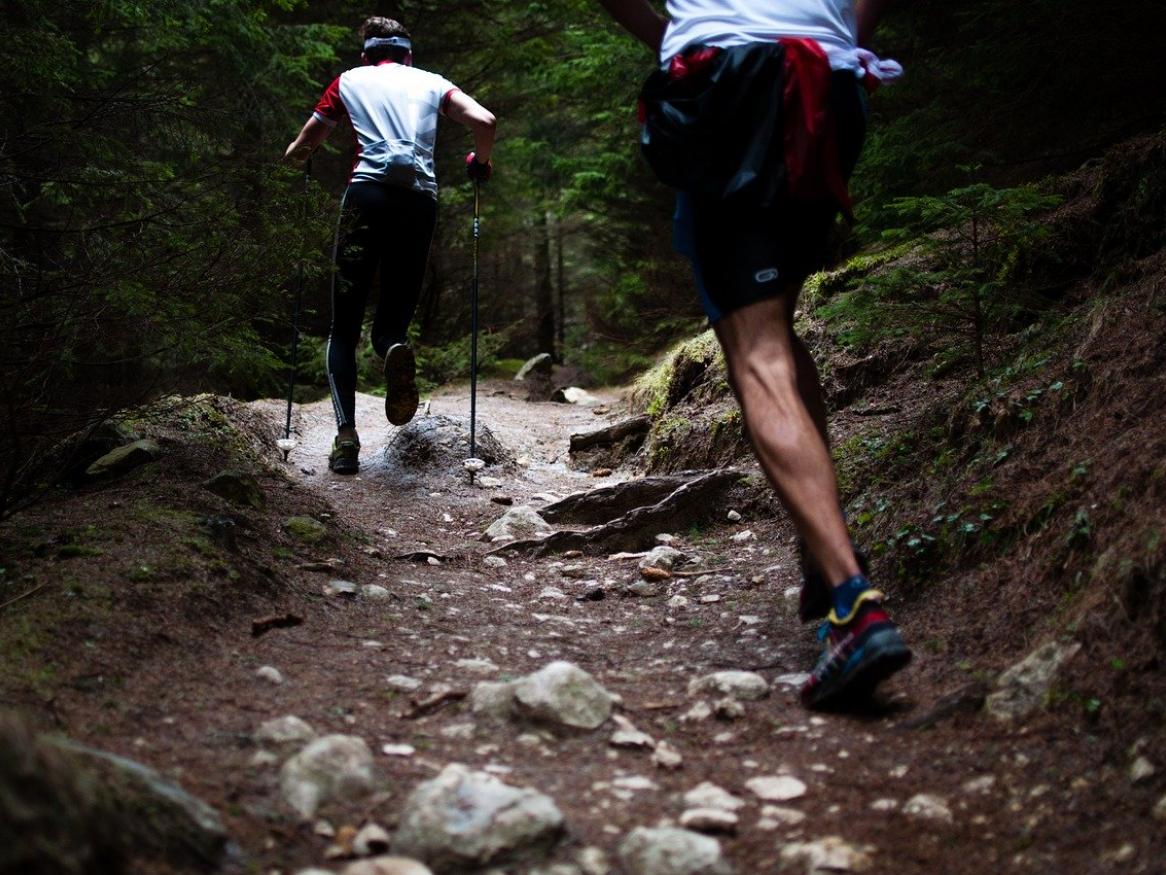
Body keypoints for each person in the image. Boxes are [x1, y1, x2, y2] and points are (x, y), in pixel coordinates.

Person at [597, 0, 910, 709]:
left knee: (757, 350)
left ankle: (855, 605)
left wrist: (671, 36)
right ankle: (824, 560)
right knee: (778, 324)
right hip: (827, 82)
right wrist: (844, 48)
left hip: (723, 79)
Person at [285, 17, 496, 474]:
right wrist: (480, 161)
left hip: (366, 197)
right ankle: (392, 349)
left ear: (366, 55)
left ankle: (345, 440)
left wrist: (297, 157)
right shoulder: (432, 83)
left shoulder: (348, 81)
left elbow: (307, 141)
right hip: (418, 202)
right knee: (392, 322)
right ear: (409, 56)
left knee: (343, 325)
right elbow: (485, 120)